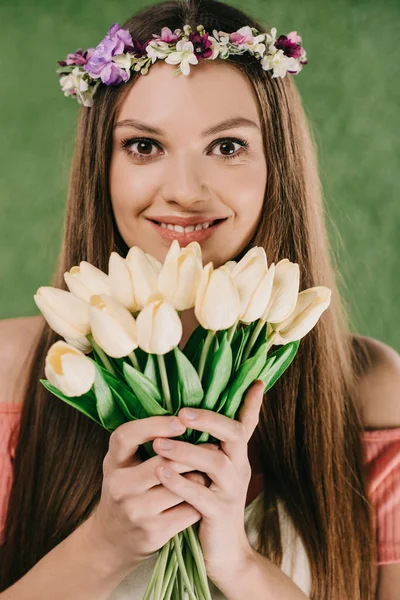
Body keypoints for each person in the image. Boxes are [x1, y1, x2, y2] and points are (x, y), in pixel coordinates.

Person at [0, 0, 399, 598]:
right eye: (142, 147)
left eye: (228, 147)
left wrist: (237, 563)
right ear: (100, 167)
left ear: (277, 165)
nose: (184, 191)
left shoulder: (369, 390)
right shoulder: (11, 373)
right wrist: (104, 546)